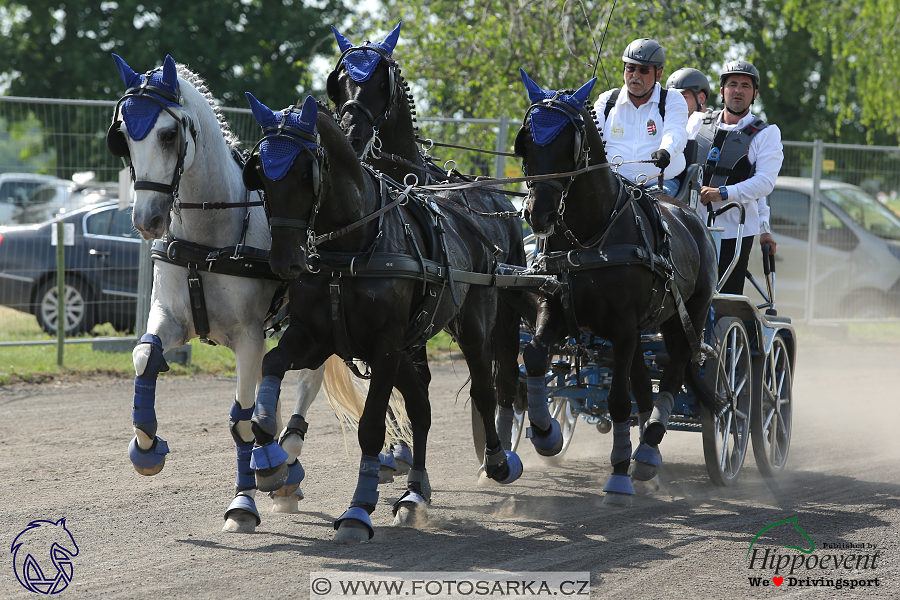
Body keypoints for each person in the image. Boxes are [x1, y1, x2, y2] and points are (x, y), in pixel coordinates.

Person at [688, 60, 783, 294]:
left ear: (755, 94)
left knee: (723, 298)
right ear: (722, 91)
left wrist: (722, 194)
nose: (738, 90)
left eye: (745, 86)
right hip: (691, 225)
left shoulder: (766, 134)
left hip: (735, 231)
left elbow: (763, 183)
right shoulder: (697, 122)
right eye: (732, 84)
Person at [593, 38, 689, 197]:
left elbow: (676, 131)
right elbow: (592, 138)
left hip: (660, 184)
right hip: (612, 187)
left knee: (656, 214)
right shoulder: (607, 101)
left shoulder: (672, 99)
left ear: (658, 74)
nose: (635, 75)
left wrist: (667, 151)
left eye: (644, 70)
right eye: (630, 68)